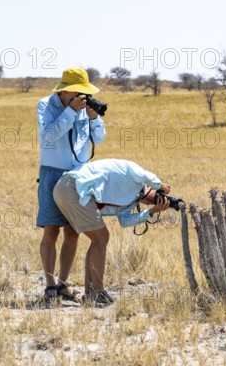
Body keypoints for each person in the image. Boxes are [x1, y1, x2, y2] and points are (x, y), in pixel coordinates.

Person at [52, 159, 172, 307]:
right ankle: (97, 292)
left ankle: (91, 294)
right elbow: (144, 175)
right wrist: (161, 185)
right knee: (101, 237)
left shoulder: (131, 200)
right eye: (154, 195)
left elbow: (125, 221)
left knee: (98, 239)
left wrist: (152, 211)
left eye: (151, 202)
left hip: (66, 189)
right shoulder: (134, 173)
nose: (150, 200)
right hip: (73, 187)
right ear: (149, 186)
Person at [37, 67, 106, 302]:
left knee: (73, 232)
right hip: (52, 174)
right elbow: (48, 136)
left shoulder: (86, 109)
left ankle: (63, 285)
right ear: (66, 91)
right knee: (50, 230)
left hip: (79, 176)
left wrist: (94, 118)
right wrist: (69, 113)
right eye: (79, 93)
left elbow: (99, 139)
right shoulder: (46, 105)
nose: (83, 97)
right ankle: (49, 286)